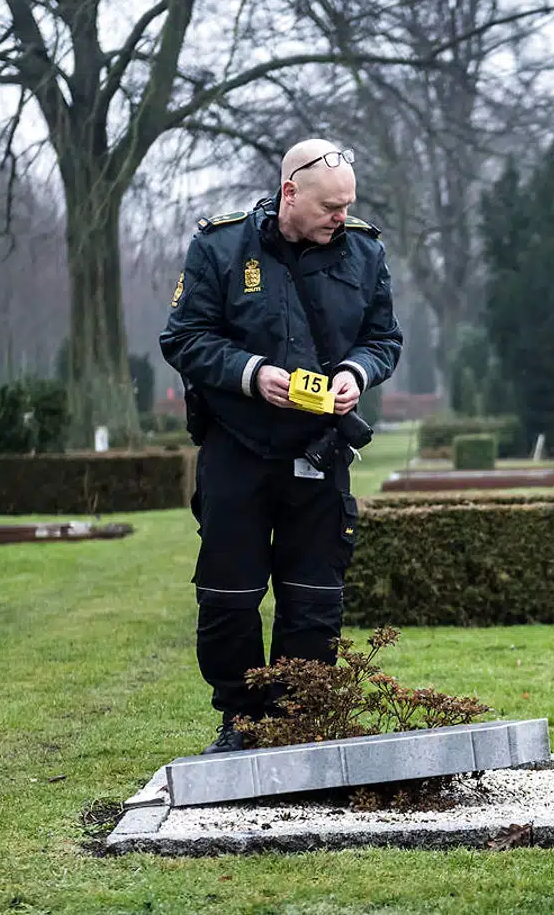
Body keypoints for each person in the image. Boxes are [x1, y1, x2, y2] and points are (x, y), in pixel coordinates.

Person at [159, 139, 402, 754]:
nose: (340, 218)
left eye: (348, 206)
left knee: (314, 594)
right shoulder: (220, 246)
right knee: (228, 593)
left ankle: (297, 718)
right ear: (290, 193)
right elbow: (183, 337)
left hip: (319, 448)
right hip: (237, 447)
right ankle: (240, 719)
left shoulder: (365, 251)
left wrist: (356, 373)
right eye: (330, 208)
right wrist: (252, 374)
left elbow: (384, 338)